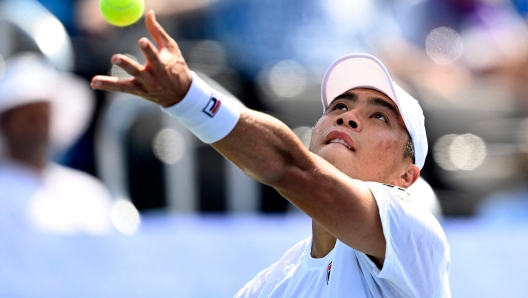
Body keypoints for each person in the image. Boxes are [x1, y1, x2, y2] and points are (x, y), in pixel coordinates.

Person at [91, 11, 450, 297]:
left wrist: (189, 99)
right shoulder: (271, 285)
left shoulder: (415, 233)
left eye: (378, 116)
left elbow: (288, 168)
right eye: (340, 105)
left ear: (406, 177)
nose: (349, 116)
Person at [0, 52, 113, 235]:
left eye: (43, 115)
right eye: (28, 116)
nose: (38, 124)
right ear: (5, 124)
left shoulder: (87, 192)